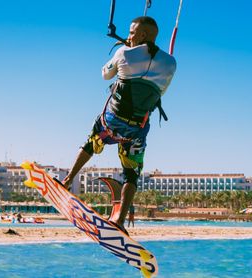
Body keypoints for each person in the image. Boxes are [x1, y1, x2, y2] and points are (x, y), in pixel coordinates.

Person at [62, 16, 176, 233]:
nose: (129, 36)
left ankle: (67, 180)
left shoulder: (123, 53)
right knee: (131, 172)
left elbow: (105, 74)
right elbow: (161, 92)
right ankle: (120, 221)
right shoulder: (171, 63)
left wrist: (125, 49)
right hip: (137, 130)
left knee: (92, 141)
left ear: (142, 35)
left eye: (132, 32)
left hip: (112, 121)